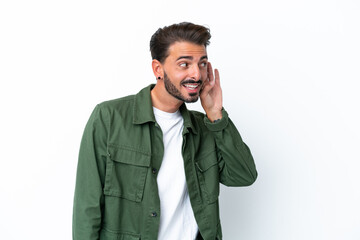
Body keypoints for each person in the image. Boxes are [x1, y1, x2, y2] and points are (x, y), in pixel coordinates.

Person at [73, 22, 257, 240]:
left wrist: (216, 115)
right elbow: (87, 207)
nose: (196, 74)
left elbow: (244, 176)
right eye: (184, 64)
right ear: (158, 69)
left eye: (202, 63)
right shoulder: (109, 118)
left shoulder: (206, 128)